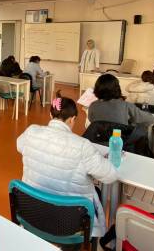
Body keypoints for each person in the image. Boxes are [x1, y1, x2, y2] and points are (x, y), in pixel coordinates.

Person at [17, 92, 117, 242]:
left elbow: (19, 145)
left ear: (51, 116)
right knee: (95, 191)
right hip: (70, 224)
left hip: (32, 212)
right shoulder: (82, 146)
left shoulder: (31, 131)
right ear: (72, 119)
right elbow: (110, 176)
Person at [88, 74, 153, 138]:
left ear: (97, 89)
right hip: (121, 144)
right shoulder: (126, 105)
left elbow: (92, 122)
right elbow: (149, 119)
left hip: (98, 141)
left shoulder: (93, 105)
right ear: (117, 88)